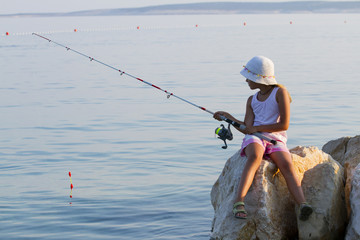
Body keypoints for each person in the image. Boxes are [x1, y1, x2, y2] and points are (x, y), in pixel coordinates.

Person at [213, 56, 313, 221]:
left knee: (286, 165)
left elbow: (284, 125)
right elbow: (247, 128)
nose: (246, 80)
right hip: (255, 138)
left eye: (249, 77)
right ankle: (239, 201)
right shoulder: (251, 100)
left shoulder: (280, 92)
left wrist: (258, 128)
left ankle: (303, 204)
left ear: (259, 78)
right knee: (255, 156)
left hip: (275, 137)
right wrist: (227, 116)